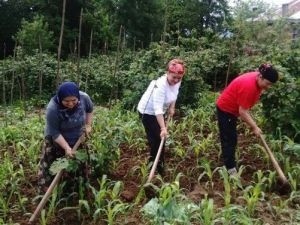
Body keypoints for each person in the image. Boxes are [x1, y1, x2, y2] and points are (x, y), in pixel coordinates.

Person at [216, 64, 279, 175]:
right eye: (268, 83)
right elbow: (243, 111)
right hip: (226, 109)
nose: (268, 87)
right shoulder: (249, 86)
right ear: (260, 77)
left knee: (231, 138)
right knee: (229, 139)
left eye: (271, 85)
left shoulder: (257, 80)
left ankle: (228, 161)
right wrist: (254, 127)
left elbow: (244, 108)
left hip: (233, 109)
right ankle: (230, 168)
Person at [38, 81, 94, 192]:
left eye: (74, 100)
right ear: (60, 98)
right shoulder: (52, 109)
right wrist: (67, 148)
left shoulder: (84, 97)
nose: (71, 104)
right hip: (56, 140)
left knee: (80, 164)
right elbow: (54, 132)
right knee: (51, 168)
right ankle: (47, 193)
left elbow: (89, 109)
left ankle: (79, 189)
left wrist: (88, 125)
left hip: (78, 138)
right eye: (66, 101)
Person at [137, 59, 186, 175]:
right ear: (167, 73)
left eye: (179, 78)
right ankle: (154, 167)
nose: (176, 80)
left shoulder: (177, 81)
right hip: (147, 112)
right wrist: (163, 128)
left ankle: (159, 165)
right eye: (173, 77)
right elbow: (157, 109)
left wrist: (172, 107)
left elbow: (175, 93)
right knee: (156, 140)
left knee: (160, 141)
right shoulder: (160, 86)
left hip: (159, 112)